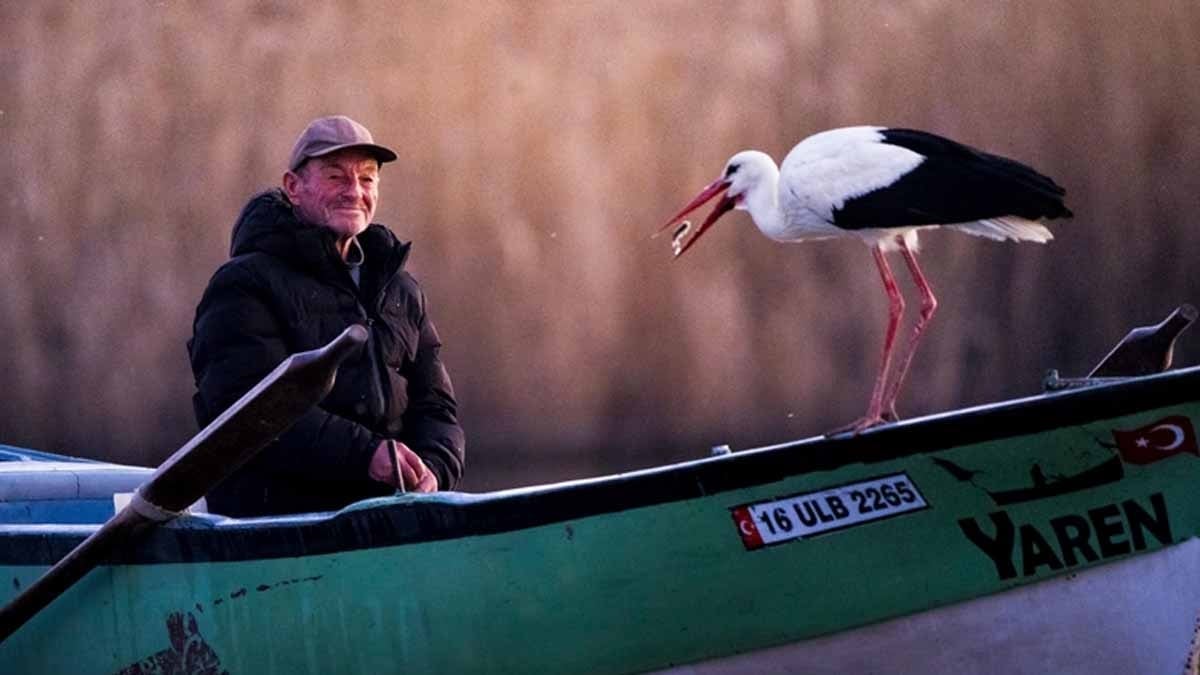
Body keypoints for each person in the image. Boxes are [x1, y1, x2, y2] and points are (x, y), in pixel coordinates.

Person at [188, 115, 465, 517]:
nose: (354, 191)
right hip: (279, 531)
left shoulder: (401, 290)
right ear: (293, 187)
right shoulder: (243, 285)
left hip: (392, 522)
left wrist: (433, 473)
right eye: (336, 177)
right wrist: (367, 456)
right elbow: (249, 413)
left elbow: (437, 409)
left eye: (367, 179)